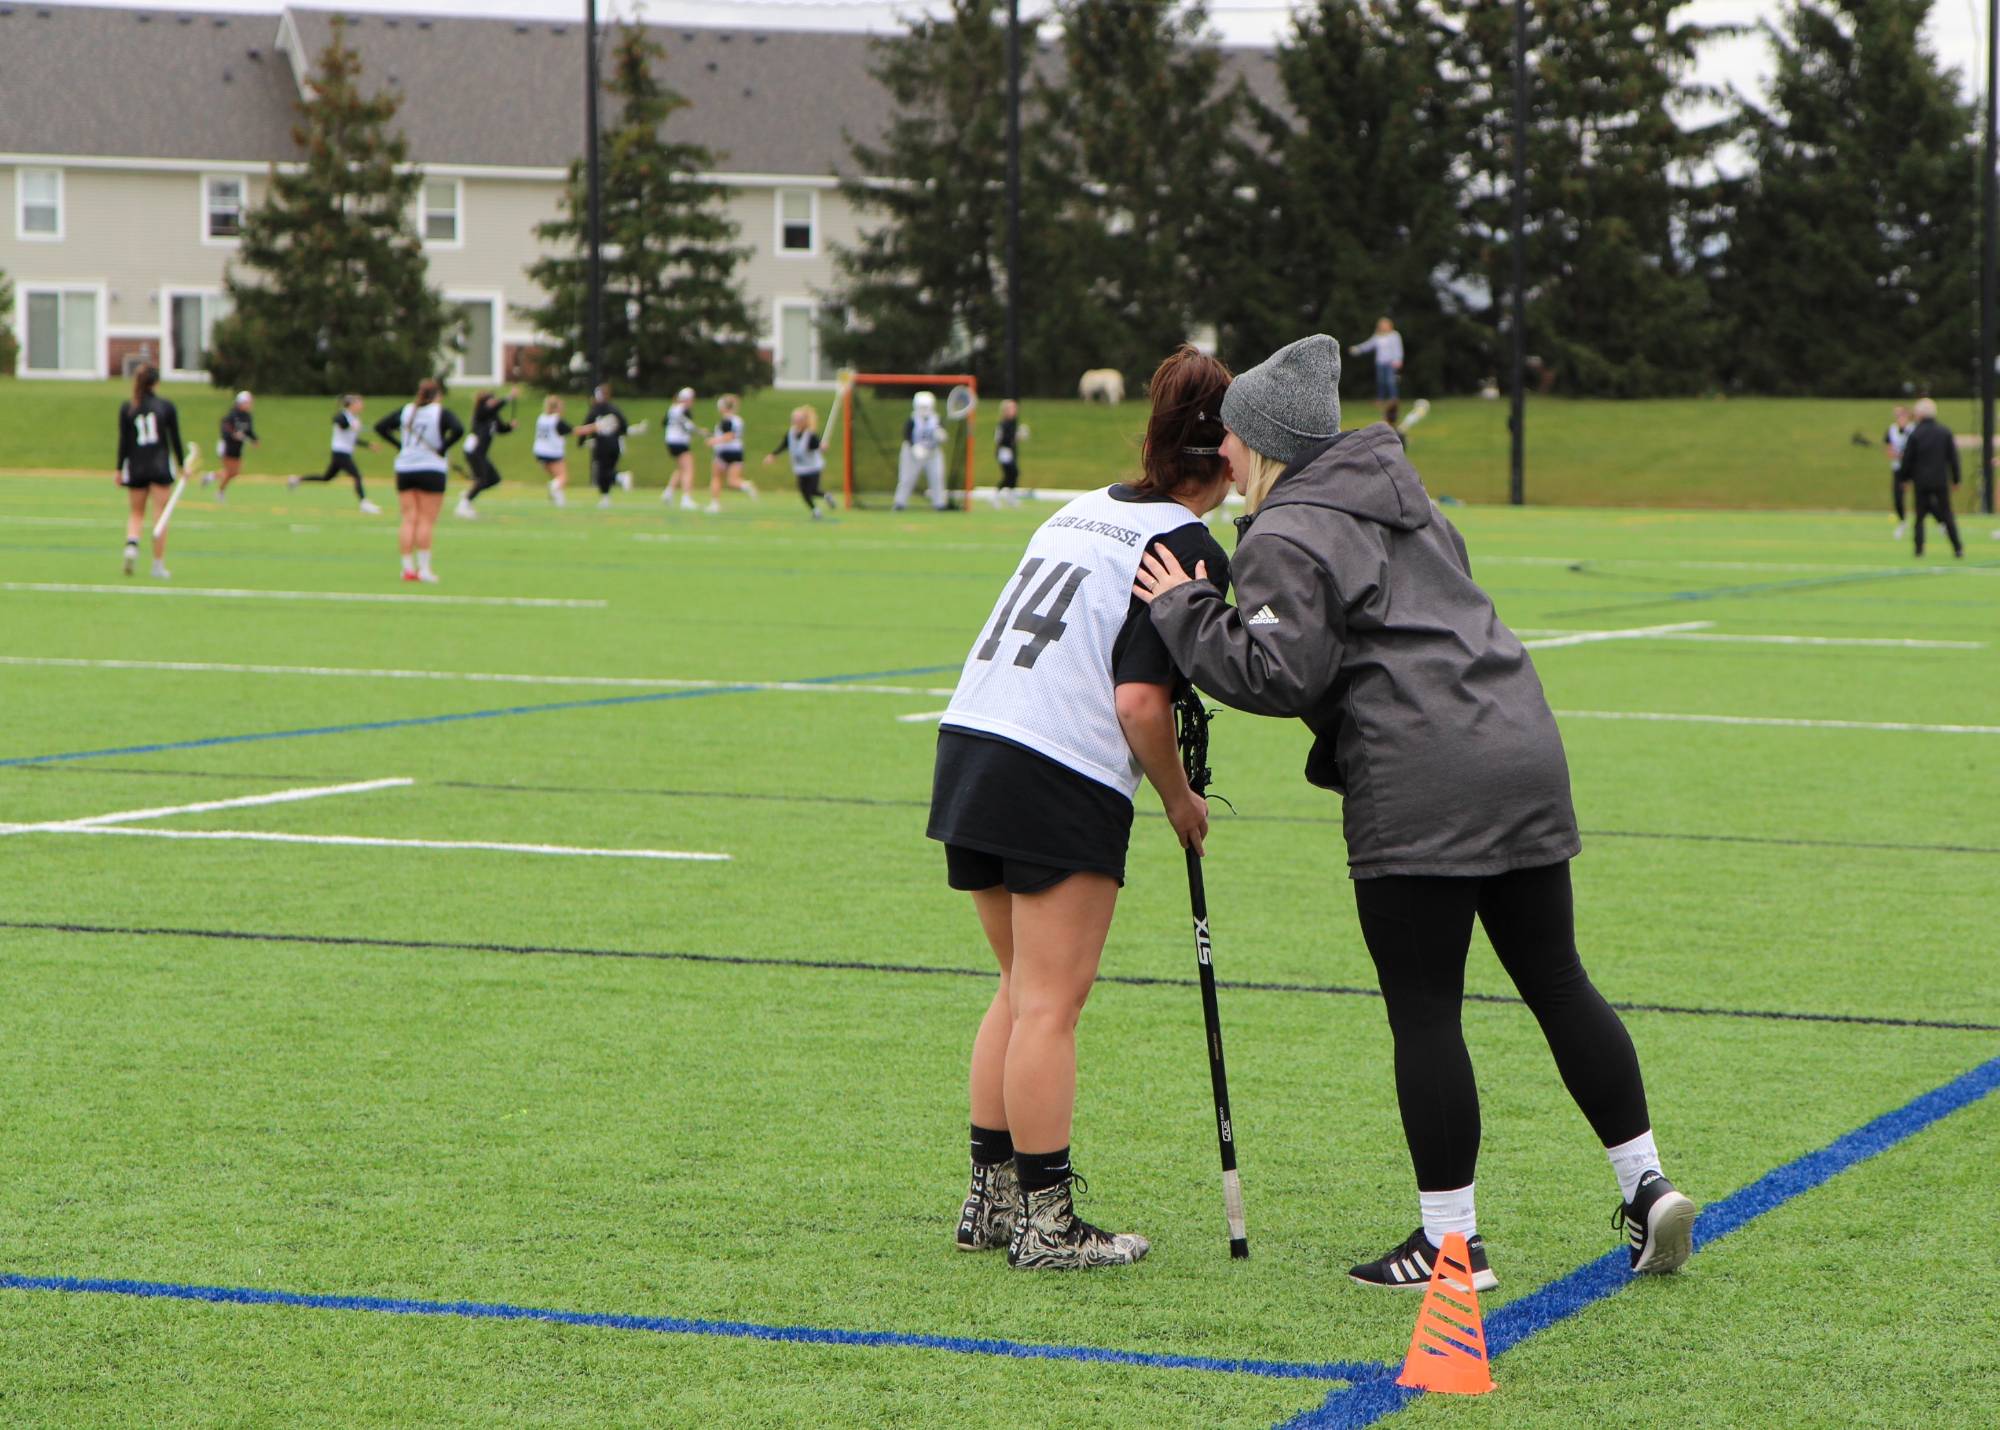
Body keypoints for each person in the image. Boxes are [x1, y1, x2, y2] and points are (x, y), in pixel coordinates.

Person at [1133, 334, 1696, 1291]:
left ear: (1264, 443)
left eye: (1229, 439)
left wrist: (1186, 609)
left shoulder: (1285, 531)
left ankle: (1450, 1246)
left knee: (1426, 1013)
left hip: (1423, 775)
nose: (1218, 454)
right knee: (1557, 979)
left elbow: (1278, 671)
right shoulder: (1409, 497)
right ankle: (1646, 1186)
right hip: (1521, 745)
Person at [932, 345, 1234, 1271]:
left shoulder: (1080, 507)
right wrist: (1181, 801)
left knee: (1020, 990)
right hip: (1054, 769)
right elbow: (1139, 705)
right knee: (1052, 1006)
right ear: (1228, 451)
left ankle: (991, 1202)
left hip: (971, 743)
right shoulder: (1187, 546)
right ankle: (1047, 1224)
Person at [375, 377, 463, 582]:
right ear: (437, 395)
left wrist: (400, 446)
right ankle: (424, 569)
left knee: (408, 518)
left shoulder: (406, 411)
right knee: (426, 519)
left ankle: (407, 569)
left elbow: (381, 426)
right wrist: (443, 447)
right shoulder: (440, 412)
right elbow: (458, 429)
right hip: (431, 468)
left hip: (405, 468)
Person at [115, 364, 183, 579]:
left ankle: (132, 545)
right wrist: (182, 465)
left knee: (136, 513)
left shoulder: (128, 407)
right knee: (160, 516)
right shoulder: (166, 407)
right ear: (156, 383)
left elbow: (124, 442)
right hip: (160, 466)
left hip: (136, 467)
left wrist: (119, 469)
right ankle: (157, 565)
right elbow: (175, 440)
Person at [288, 395, 382, 514]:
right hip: (340, 452)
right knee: (357, 475)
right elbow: (337, 421)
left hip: (345, 452)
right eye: (359, 403)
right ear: (352, 405)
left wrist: (368, 445)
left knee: (326, 478)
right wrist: (349, 425)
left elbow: (352, 438)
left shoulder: (356, 419)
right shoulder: (343, 416)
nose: (362, 406)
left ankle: (296, 480)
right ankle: (364, 503)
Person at [1901, 397, 1962, 559]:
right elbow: (1953, 458)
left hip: (1921, 480)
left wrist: (1904, 478)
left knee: (1920, 516)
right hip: (1940, 479)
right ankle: (1957, 548)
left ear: (1919, 414)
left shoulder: (1915, 434)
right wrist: (1956, 479)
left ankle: (1919, 550)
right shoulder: (1944, 432)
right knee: (1947, 513)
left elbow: (1908, 459)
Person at [764, 405, 840, 519]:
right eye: (794, 419)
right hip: (800, 467)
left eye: (798, 419)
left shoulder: (810, 435)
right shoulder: (790, 433)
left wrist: (822, 447)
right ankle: (816, 510)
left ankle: (826, 497)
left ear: (804, 421)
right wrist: (773, 455)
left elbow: (817, 446)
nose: (795, 421)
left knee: (813, 490)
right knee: (804, 492)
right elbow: (784, 445)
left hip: (813, 467)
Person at [456, 386, 519, 519]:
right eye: (491, 400)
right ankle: (463, 505)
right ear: (485, 402)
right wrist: (509, 397)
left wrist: (510, 427)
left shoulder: (492, 416)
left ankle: (469, 494)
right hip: (473, 450)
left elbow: (500, 429)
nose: (494, 402)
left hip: (482, 453)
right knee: (482, 479)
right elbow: (493, 409)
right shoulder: (481, 412)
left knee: (494, 479)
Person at [576, 383, 631, 510]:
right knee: (609, 469)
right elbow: (624, 426)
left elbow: (586, 427)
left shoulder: (595, 411)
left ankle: (620, 478)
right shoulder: (615, 409)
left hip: (602, 445)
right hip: (615, 445)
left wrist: (580, 442)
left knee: (603, 472)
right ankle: (606, 497)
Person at [895, 390, 949, 511]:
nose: (924, 410)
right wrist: (914, 447)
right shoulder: (913, 420)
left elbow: (941, 435)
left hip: (932, 453)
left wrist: (941, 435)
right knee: (907, 478)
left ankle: (939, 503)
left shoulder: (936, 419)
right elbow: (907, 434)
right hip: (912, 453)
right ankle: (900, 503)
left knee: (937, 477)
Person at [1348, 318, 1405, 426]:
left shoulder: (1394, 335)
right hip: (1380, 363)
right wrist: (1358, 349)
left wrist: (1398, 359)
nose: (1383, 326)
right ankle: (1381, 400)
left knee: (1391, 381)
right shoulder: (1377, 336)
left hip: (1391, 362)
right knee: (1381, 381)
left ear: (1389, 325)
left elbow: (1398, 348)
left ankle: (1394, 401)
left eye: (1385, 324)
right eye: (1382, 325)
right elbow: (1368, 345)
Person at [705, 394, 756, 512]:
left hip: (724, 452)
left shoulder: (727, 420)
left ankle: (714, 503)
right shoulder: (738, 420)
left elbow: (729, 436)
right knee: (732, 481)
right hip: (737, 451)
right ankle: (746, 485)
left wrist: (714, 441)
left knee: (716, 477)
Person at [206, 390, 258, 502]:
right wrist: (233, 435)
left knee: (235, 472)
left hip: (238, 448)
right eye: (248, 402)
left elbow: (248, 431)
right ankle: (219, 492)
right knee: (230, 471)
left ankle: (210, 477)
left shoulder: (247, 416)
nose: (250, 405)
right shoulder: (232, 415)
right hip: (227, 446)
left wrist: (255, 439)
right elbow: (225, 431)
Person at [661, 386, 707, 511]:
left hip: (670, 440)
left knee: (681, 468)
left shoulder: (672, 408)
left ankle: (668, 492)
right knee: (689, 468)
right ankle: (686, 499)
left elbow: (664, 423)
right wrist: (701, 432)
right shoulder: (682, 410)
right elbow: (688, 426)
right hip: (679, 441)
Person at [532, 396, 573, 507]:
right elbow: (574, 431)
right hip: (553, 452)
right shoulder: (557, 421)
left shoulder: (541, 417)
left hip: (539, 452)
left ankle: (559, 500)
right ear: (556, 408)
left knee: (557, 478)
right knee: (563, 477)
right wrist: (595, 427)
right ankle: (554, 488)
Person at [1884, 404, 1914, 539]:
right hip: (1898, 469)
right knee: (1897, 498)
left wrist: (1907, 456)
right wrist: (1895, 454)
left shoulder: (1914, 430)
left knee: (1925, 497)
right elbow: (1889, 450)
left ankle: (1941, 523)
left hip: (1914, 468)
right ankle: (1902, 523)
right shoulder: (1891, 430)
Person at [994, 399, 1025, 507]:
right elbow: (1000, 440)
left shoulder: (1013, 423)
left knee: (1013, 474)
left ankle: (1010, 497)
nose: (1015, 411)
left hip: (1011, 452)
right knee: (1010, 474)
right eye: (1012, 408)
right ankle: (996, 496)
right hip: (1004, 452)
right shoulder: (1003, 424)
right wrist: (1016, 436)